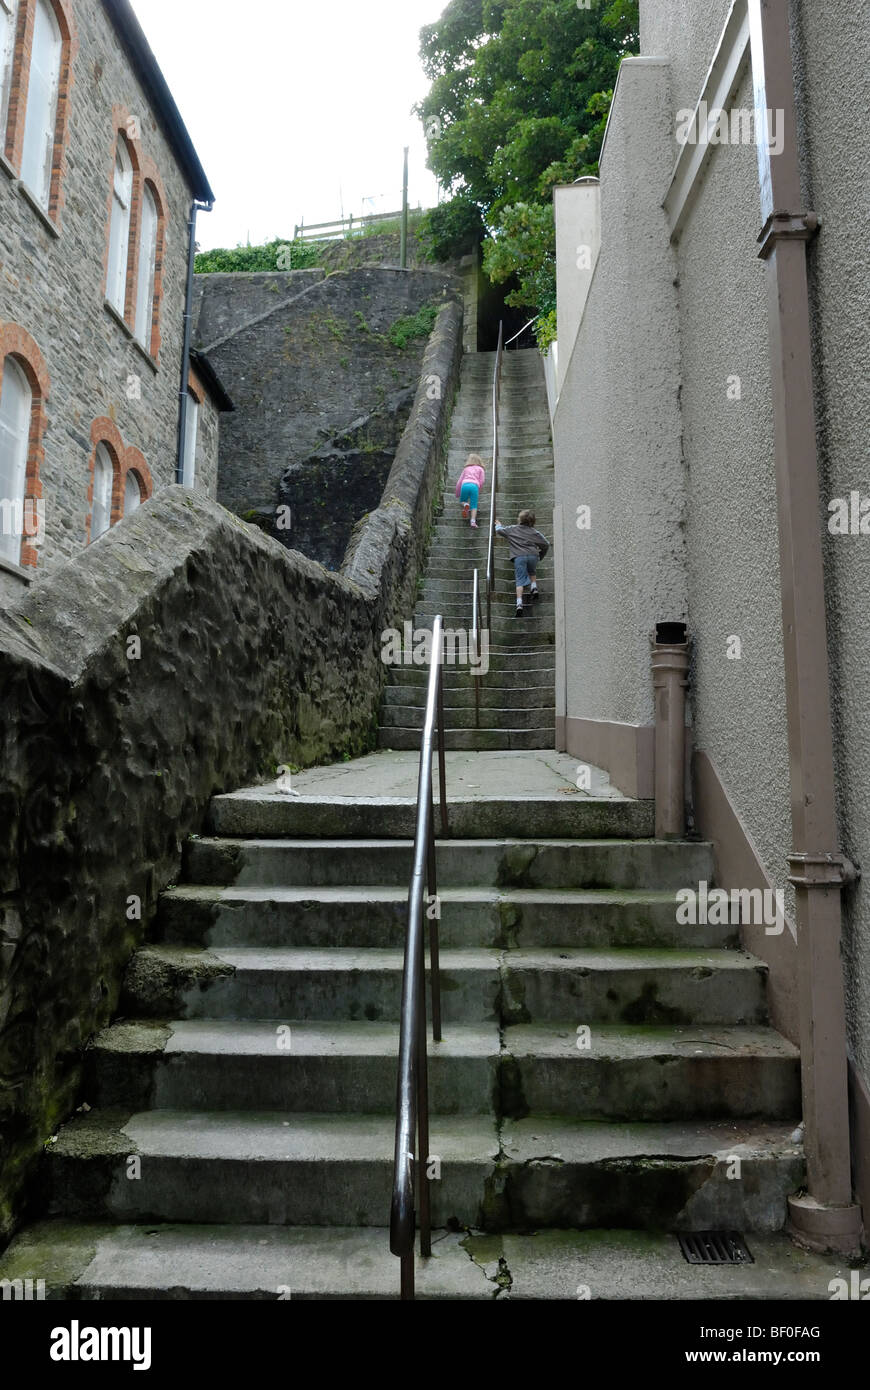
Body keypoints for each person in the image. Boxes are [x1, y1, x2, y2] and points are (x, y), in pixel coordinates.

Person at [495, 509, 550, 617]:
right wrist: (540, 556)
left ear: (520, 519)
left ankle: (519, 604)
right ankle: (534, 587)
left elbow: (500, 531)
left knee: (520, 580)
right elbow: (546, 544)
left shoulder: (512, 529)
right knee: (532, 571)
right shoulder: (534, 532)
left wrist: (498, 525)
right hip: (533, 555)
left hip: (519, 556)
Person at [455, 453, 486, 528]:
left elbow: (459, 481)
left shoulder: (466, 469)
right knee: (474, 505)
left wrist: (457, 492)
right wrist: (479, 489)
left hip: (464, 485)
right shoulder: (480, 469)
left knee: (463, 501)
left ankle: (465, 505)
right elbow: (482, 481)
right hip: (474, 486)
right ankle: (472, 522)